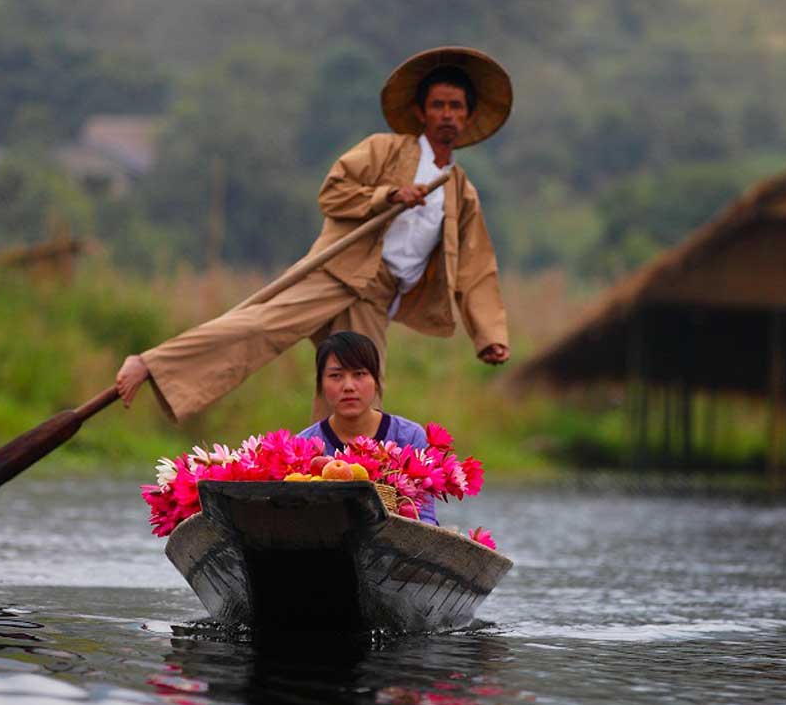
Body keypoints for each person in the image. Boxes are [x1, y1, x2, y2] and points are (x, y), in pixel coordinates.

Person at [113, 46, 512, 423]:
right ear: (421, 112)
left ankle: (329, 473)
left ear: (468, 116)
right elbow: (332, 193)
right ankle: (151, 363)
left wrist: (489, 336)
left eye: (455, 107)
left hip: (376, 295)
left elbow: (476, 271)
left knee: (357, 385)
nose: (446, 114)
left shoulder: (461, 193)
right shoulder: (384, 150)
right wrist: (387, 195)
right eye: (438, 105)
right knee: (260, 327)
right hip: (337, 271)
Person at [297, 331, 438, 524]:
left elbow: (425, 516)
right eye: (336, 375)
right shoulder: (303, 445)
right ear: (320, 383)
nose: (348, 386)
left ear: (377, 380)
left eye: (360, 374)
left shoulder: (410, 437)